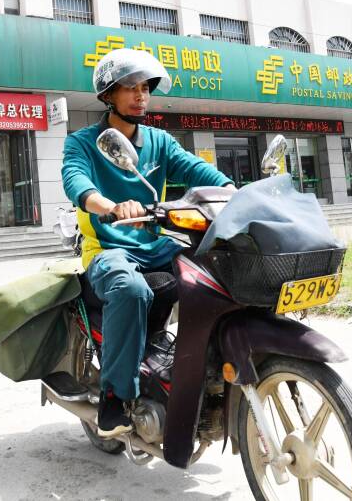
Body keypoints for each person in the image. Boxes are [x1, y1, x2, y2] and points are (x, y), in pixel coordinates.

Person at [61, 48, 235, 438]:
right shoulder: (82, 143)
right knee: (131, 289)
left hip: (155, 247)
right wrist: (109, 206)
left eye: (145, 88)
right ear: (108, 94)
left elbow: (196, 169)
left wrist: (233, 192)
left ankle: (207, 365)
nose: (141, 96)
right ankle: (114, 396)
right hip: (108, 251)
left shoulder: (160, 141)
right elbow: (76, 181)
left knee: (219, 267)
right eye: (130, 88)